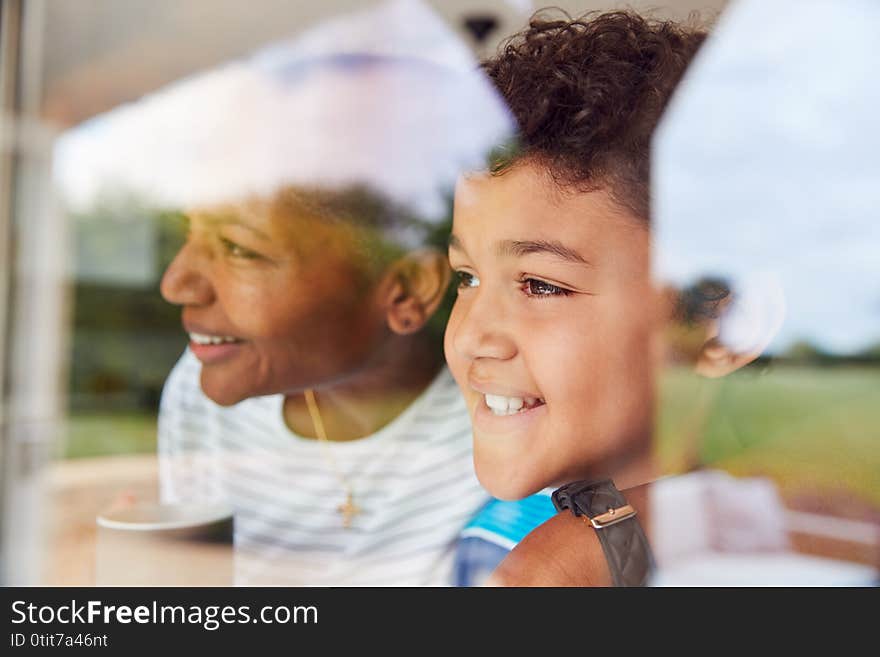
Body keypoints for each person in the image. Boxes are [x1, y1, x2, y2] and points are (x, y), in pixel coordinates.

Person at [155, 0, 514, 586]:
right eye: (186, 234)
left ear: (405, 290)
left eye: (241, 248)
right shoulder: (201, 399)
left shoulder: (502, 415)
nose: (176, 283)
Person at [444, 9, 722, 585]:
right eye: (466, 277)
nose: (471, 337)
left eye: (542, 285)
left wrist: (607, 542)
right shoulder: (493, 546)